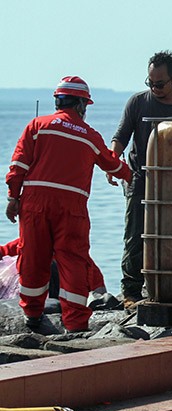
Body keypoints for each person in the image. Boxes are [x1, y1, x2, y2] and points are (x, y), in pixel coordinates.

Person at [5, 76, 132, 332]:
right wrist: (130, 176)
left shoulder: (37, 126)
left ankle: (32, 315)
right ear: (82, 105)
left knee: (33, 258)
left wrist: (12, 197)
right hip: (72, 207)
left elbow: (18, 165)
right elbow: (112, 163)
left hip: (34, 203)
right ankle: (75, 323)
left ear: (58, 102)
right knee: (73, 260)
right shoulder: (89, 135)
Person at [110, 50, 172, 310]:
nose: (154, 88)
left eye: (159, 84)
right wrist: (111, 162)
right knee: (135, 234)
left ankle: (171, 286)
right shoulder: (138, 102)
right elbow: (121, 135)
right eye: (150, 82)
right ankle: (130, 291)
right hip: (141, 177)